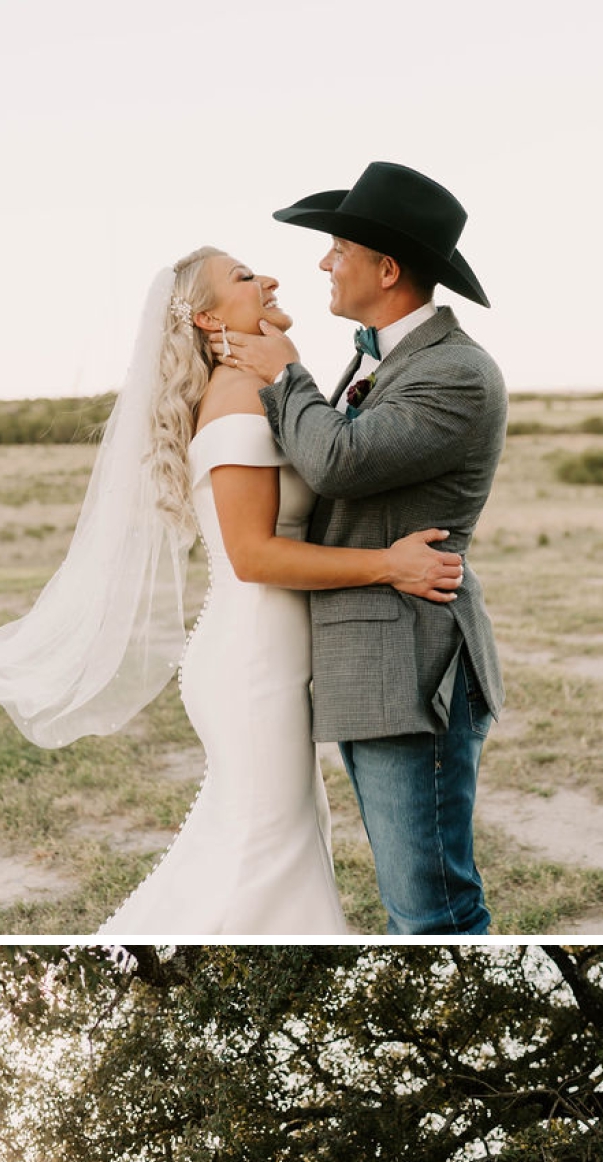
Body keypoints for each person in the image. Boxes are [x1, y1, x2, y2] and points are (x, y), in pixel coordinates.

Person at [0, 248, 463, 936]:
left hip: (261, 658)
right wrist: (388, 565)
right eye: (245, 277)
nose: (269, 280)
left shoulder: (257, 386)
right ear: (207, 317)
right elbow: (252, 555)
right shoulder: (238, 398)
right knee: (267, 854)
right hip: (253, 666)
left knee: (266, 844)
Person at [221, 161, 509, 935]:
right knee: (409, 899)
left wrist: (286, 376)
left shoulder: (457, 374)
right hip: (372, 661)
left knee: (431, 913)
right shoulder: (384, 356)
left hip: (415, 665)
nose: (323, 262)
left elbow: (338, 460)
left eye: (340, 248)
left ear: (386, 269)